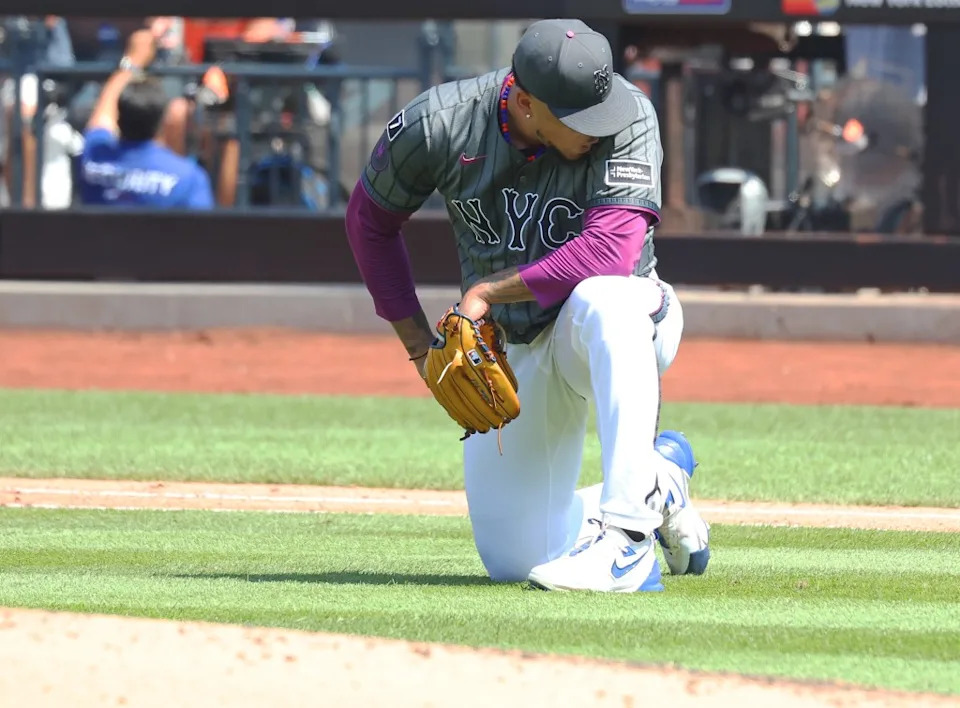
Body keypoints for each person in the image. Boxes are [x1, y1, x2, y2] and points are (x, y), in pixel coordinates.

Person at [345, 18, 711, 593]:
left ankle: (628, 539)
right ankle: (659, 481)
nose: (597, 126)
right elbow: (369, 221)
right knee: (516, 559)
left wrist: (487, 291)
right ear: (524, 102)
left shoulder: (630, 115)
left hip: (619, 325)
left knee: (603, 297)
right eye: (580, 119)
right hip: (517, 342)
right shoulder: (441, 122)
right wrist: (418, 346)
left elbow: (611, 253)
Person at [78, 28, 213, 209]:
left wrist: (132, 61)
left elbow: (102, 116)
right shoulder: (188, 177)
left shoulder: (94, 156)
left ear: (119, 119)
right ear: (160, 123)